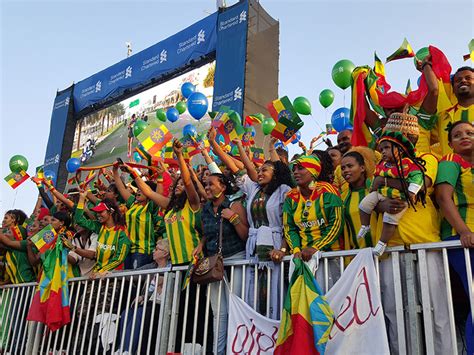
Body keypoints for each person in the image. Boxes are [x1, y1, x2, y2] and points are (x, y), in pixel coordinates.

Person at [233, 137, 293, 320]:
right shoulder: (253, 189)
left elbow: (288, 224)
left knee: (273, 290)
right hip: (253, 246)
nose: (259, 173)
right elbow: (244, 169)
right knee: (253, 289)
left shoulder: (284, 189)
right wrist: (239, 147)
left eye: (264, 170)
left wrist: (270, 148)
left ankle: (275, 330)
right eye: (259, 170)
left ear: (275, 173)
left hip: (275, 245)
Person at [193, 172, 248, 354]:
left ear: (223, 187)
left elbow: (245, 236)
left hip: (236, 260)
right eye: (205, 184)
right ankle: (219, 351)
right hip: (214, 265)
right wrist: (200, 244)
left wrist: (233, 218)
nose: (207, 187)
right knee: (219, 313)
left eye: (211, 184)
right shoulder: (205, 210)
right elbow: (207, 234)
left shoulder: (235, 205)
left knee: (236, 308)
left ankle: (237, 350)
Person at [435, 121, 474, 354]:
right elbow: (443, 198)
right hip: (461, 239)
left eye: (470, 133)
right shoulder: (450, 160)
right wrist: (464, 231)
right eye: (457, 135)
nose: (464, 137)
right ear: (449, 143)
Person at [357, 129, 426, 256]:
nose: (383, 151)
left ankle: (382, 243)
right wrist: (376, 185)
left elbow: (417, 179)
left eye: (387, 148)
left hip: (399, 198)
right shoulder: (382, 164)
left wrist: (411, 192)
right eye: (381, 149)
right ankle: (365, 226)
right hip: (380, 194)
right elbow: (375, 181)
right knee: (363, 205)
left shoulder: (409, 163)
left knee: (389, 219)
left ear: (399, 149)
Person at [283, 155, 344, 289]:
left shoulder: (328, 190)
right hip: (302, 258)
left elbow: (336, 223)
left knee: (329, 300)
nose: (295, 172)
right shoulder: (290, 196)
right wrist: (296, 250)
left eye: (300, 168)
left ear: (313, 172)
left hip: (331, 256)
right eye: (294, 169)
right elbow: (289, 228)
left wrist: (316, 248)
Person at [117, 239, 170, 354]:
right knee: (126, 313)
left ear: (165, 253)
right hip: (147, 304)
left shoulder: (171, 268)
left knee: (140, 313)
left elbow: (164, 291)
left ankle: (127, 350)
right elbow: (132, 273)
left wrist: (144, 297)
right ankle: (122, 349)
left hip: (160, 306)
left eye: (157, 249)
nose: (153, 251)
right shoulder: (152, 266)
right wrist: (109, 273)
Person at [113, 164, 160, 269]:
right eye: (138, 188)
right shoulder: (133, 203)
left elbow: (159, 194)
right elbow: (121, 188)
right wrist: (115, 171)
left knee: (135, 280)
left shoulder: (151, 206)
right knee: (128, 282)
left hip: (142, 251)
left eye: (141, 189)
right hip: (129, 249)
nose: (138, 190)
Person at [73, 194, 130, 274]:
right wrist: (82, 198)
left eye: (101, 211)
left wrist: (102, 271)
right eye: (97, 212)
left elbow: (119, 258)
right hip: (98, 274)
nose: (98, 214)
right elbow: (79, 220)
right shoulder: (99, 227)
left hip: (114, 276)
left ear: (111, 212)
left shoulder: (122, 232)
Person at [340, 148, 377, 249]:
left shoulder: (377, 190)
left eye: (350, 166)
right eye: (343, 168)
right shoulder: (343, 198)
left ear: (362, 168)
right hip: (357, 256)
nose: (346, 170)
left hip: (385, 256)